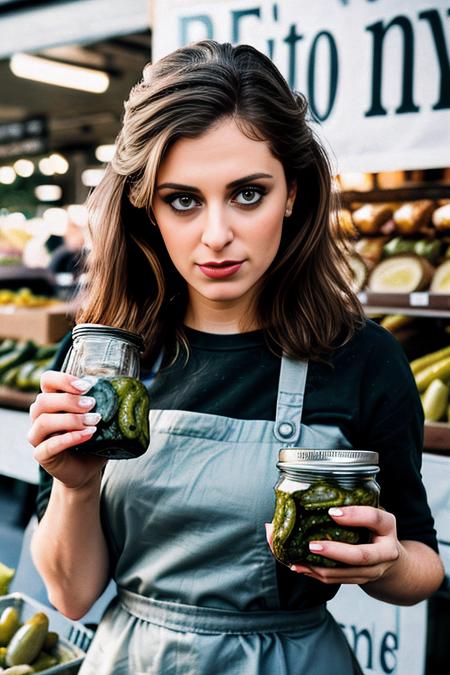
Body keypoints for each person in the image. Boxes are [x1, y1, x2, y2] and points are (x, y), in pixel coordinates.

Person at [27, 41, 444, 675]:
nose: (216, 234)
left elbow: (422, 561)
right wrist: (76, 487)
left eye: (248, 194)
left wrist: (388, 563)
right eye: (183, 200)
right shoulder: (102, 360)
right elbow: (72, 596)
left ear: (294, 192)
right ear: (146, 206)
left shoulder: (362, 358)